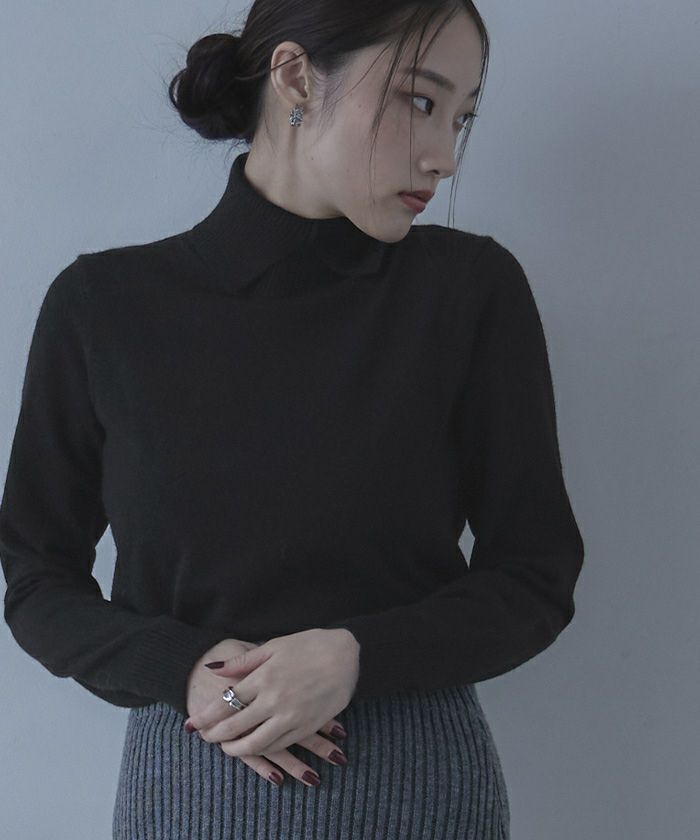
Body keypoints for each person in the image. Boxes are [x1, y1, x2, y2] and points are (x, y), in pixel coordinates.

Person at [0, 1, 584, 838]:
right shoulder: (106, 308)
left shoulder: (467, 294)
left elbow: (536, 573)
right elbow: (36, 579)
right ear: (295, 78)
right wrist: (186, 669)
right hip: (191, 782)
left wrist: (356, 655)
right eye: (421, 101)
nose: (445, 155)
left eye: (462, 118)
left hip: (424, 790)